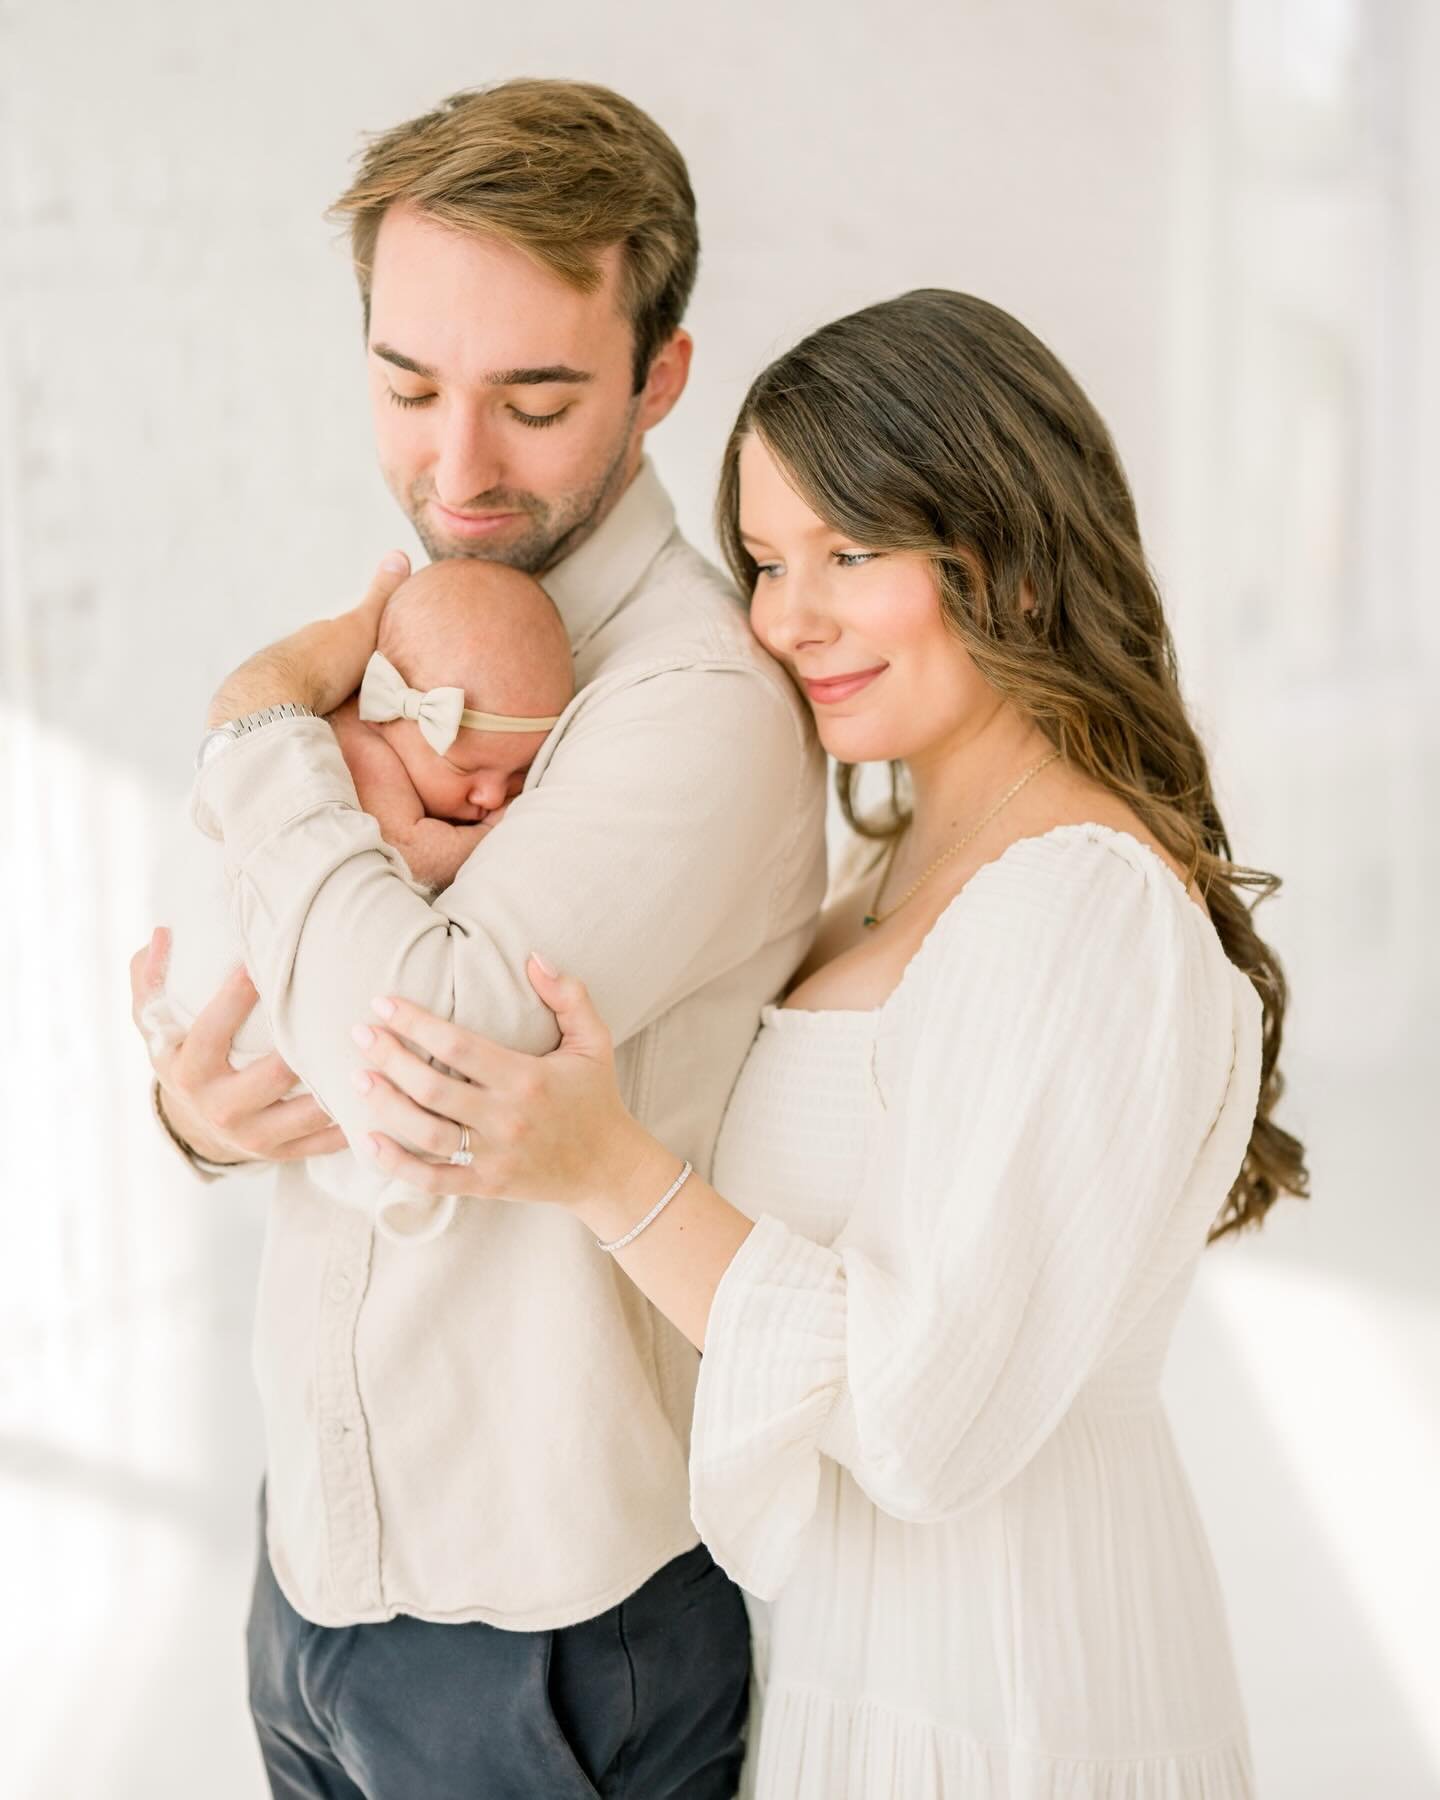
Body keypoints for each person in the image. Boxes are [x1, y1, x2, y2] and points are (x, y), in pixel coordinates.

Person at [343, 291, 1311, 1799]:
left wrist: (611, 1172)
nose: (786, 619)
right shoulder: (883, 882)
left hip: (1005, 1699)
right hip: (854, 1666)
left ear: (1013, 558)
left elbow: (925, 1424)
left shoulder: (1080, 909)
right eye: (767, 561)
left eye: (850, 555)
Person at [129, 80, 826, 1798]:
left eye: (534, 398)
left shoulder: (702, 707)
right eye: (406, 383)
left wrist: (256, 731)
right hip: (315, 1570)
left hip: (548, 1640)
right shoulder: (423, 617)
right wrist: (194, 1116)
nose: (458, 467)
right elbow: (260, 998)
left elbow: (418, 1075)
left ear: (660, 377)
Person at [144, 557, 573, 1241]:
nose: (492, 797)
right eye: (470, 771)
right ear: (388, 712)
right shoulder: (360, 749)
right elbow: (407, 849)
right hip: (239, 977)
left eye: (520, 775)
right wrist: (492, 838)